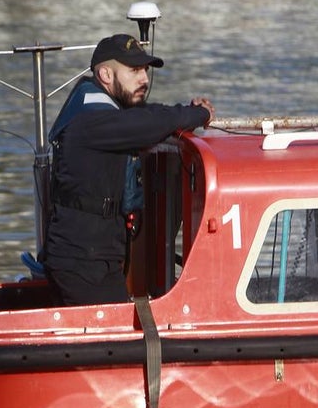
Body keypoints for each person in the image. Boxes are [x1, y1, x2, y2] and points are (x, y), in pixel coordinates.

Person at [42, 34, 214, 306]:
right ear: (106, 74)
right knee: (114, 336)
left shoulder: (103, 108)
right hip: (83, 262)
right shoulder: (93, 119)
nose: (144, 78)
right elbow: (147, 124)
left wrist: (186, 112)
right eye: (134, 70)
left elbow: (146, 115)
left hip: (95, 254)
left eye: (145, 70)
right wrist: (198, 114)